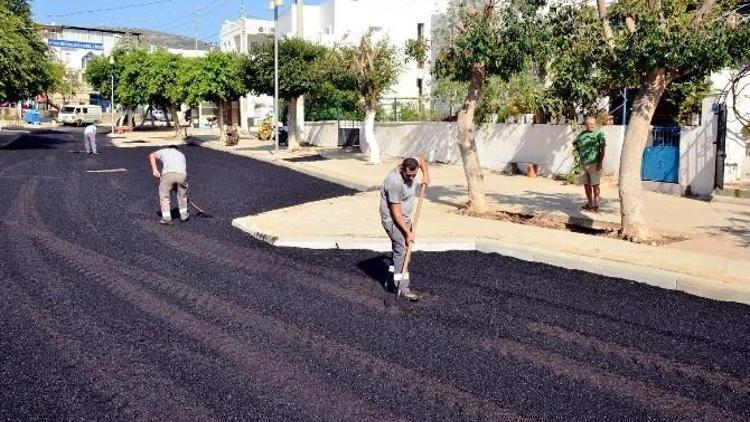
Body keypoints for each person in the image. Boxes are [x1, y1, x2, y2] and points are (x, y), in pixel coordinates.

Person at [380, 156, 430, 301]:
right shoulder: (394, 183)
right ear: (402, 168)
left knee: (402, 250)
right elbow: (395, 213)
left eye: (414, 176)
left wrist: (426, 174)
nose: (411, 178)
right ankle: (402, 287)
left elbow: (421, 159)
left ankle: (390, 279)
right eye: (408, 175)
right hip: (393, 220)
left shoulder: (411, 164)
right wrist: (407, 232)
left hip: (405, 218)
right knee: (402, 250)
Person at [149, 146, 189, 225]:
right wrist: (177, 185)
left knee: (164, 196)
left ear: (169, 148)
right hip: (182, 175)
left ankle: (167, 219)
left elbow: (152, 155)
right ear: (176, 149)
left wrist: (155, 169)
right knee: (182, 195)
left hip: (168, 174)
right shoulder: (182, 154)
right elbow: (181, 169)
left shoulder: (165, 151)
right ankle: (184, 216)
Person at [573, 117, 606, 212]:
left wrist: (600, 163)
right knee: (586, 184)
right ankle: (590, 203)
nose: (590, 126)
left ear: (595, 124)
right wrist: (578, 151)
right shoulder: (582, 134)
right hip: (583, 163)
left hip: (594, 164)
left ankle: (596, 205)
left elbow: (602, 150)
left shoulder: (599, 134)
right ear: (585, 125)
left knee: (595, 185)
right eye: (588, 125)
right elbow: (575, 143)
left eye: (592, 124)